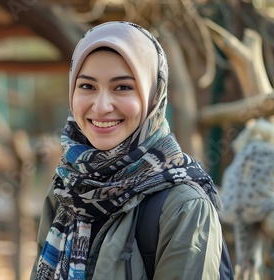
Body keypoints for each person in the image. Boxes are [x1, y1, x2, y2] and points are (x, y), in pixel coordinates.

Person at [30, 21, 225, 279]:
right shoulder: (66, 191)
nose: (101, 106)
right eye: (87, 86)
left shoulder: (185, 208)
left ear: (154, 96)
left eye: (122, 87)